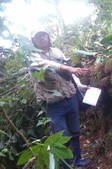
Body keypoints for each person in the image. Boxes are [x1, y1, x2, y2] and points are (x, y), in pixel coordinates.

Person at [28, 30, 90, 168]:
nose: (43, 38)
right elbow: (45, 65)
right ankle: (66, 165)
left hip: (70, 96)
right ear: (33, 40)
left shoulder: (57, 51)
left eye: (44, 35)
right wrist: (66, 67)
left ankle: (77, 159)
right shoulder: (32, 56)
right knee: (61, 136)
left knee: (75, 131)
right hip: (53, 104)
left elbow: (69, 73)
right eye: (39, 36)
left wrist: (80, 86)